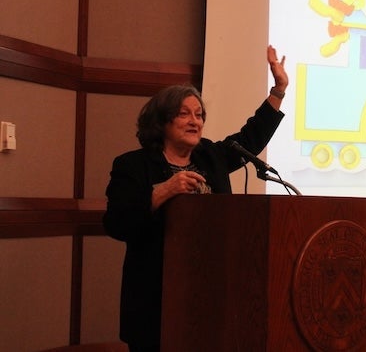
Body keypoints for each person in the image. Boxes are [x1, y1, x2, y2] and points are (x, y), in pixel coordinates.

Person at [103, 45, 288, 352]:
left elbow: (251, 137)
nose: (195, 121)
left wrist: (278, 90)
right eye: (184, 114)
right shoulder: (132, 166)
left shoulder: (212, 156)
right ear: (162, 122)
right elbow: (116, 223)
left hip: (213, 293)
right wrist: (164, 190)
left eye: (199, 115)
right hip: (155, 299)